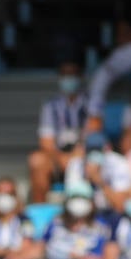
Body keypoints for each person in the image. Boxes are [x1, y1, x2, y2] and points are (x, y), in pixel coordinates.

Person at [28, 61, 88, 203]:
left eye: (72, 75)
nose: (69, 79)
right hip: (58, 156)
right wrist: (61, 158)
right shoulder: (50, 105)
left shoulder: (91, 103)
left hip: (84, 154)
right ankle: (41, 212)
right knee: (37, 161)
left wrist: (77, 156)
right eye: (65, 75)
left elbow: (93, 134)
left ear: (80, 77)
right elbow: (46, 142)